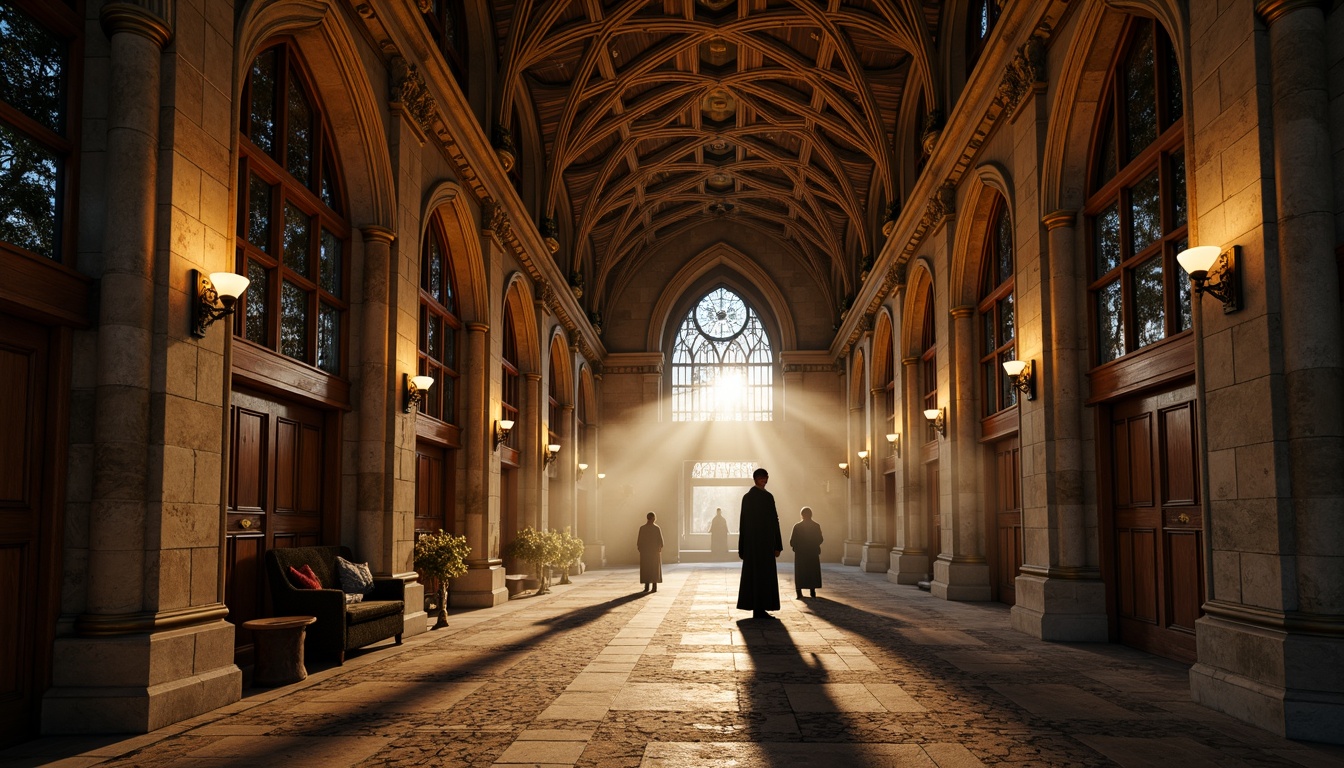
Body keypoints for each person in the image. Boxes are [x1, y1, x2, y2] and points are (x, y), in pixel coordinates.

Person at [736, 467, 782, 619]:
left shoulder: (766, 497)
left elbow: (775, 522)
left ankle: (760, 607)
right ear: (755, 479)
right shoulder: (749, 498)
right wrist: (742, 547)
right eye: (762, 477)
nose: (764, 480)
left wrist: (777, 545)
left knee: (760, 576)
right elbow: (743, 523)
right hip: (755, 544)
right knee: (759, 576)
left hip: (763, 544)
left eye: (766, 477)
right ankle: (758, 608)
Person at [790, 506, 823, 599]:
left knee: (800, 572)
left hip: (800, 553)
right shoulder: (816, 526)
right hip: (812, 552)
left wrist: (796, 547)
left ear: (802, 515)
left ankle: (799, 592)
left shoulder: (797, 526)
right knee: (812, 571)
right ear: (811, 515)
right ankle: (812, 591)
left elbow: (792, 541)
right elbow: (820, 539)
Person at [637, 512, 663, 593]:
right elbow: (661, 541)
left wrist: (641, 549)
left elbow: (639, 541)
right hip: (654, 552)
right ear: (654, 518)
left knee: (646, 568)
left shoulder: (642, 528)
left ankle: (646, 586)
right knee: (654, 569)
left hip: (645, 552)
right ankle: (654, 586)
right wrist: (659, 548)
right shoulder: (656, 528)